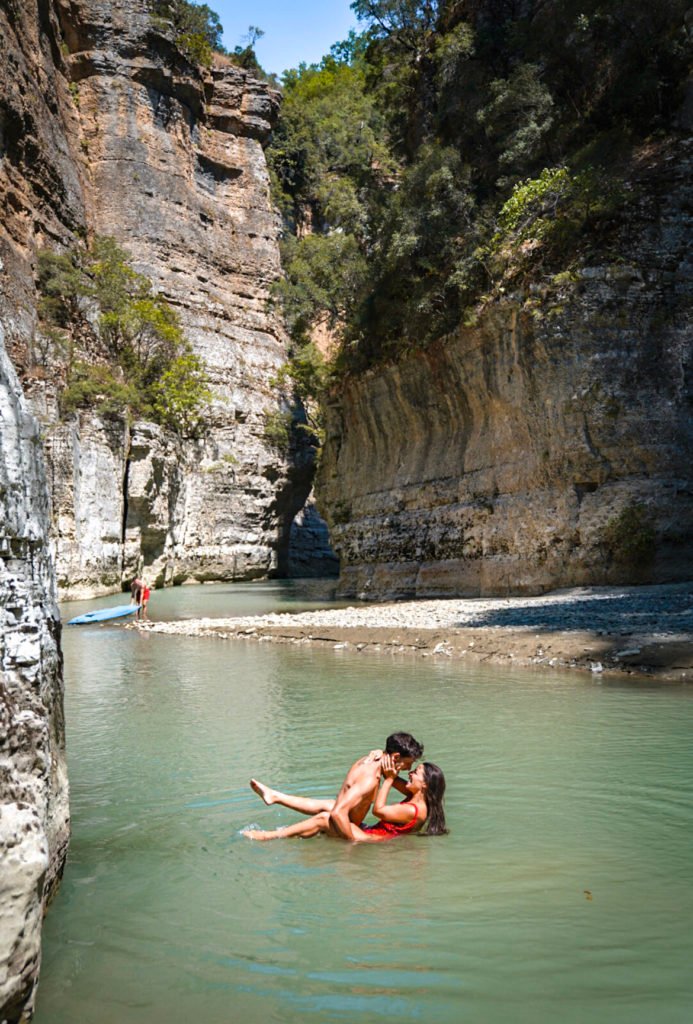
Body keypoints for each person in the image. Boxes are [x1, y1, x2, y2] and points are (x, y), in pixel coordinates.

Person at [247, 732, 424, 841]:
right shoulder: (370, 779)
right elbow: (338, 814)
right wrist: (351, 842)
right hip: (349, 826)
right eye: (409, 763)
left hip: (352, 820)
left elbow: (412, 790)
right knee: (325, 817)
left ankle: (276, 796)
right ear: (395, 757)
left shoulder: (371, 760)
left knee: (329, 805)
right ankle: (267, 836)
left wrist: (380, 753)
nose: (409, 768)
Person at [242, 755, 447, 842]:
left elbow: (378, 810)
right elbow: (388, 773)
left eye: (416, 773)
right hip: (369, 832)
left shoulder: (413, 810)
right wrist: (381, 755)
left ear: (425, 784)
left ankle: (268, 836)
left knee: (325, 817)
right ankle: (275, 796)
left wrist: (390, 778)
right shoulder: (417, 798)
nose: (410, 774)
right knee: (333, 805)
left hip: (369, 840)